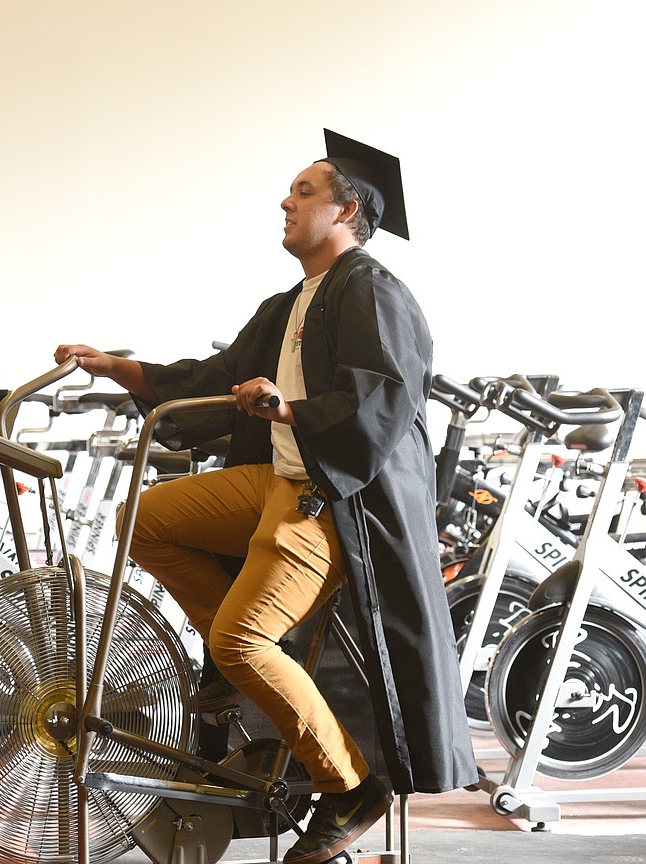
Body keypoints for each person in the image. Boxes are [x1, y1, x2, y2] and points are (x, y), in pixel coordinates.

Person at [55, 130, 475, 864]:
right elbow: (214, 380)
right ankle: (226, 670)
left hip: (333, 495)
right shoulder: (292, 301)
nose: (286, 200)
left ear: (347, 208)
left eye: (305, 191)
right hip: (274, 481)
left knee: (244, 638)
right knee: (142, 521)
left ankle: (349, 786)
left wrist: (289, 411)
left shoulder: (372, 290)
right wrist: (115, 365)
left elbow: (381, 402)